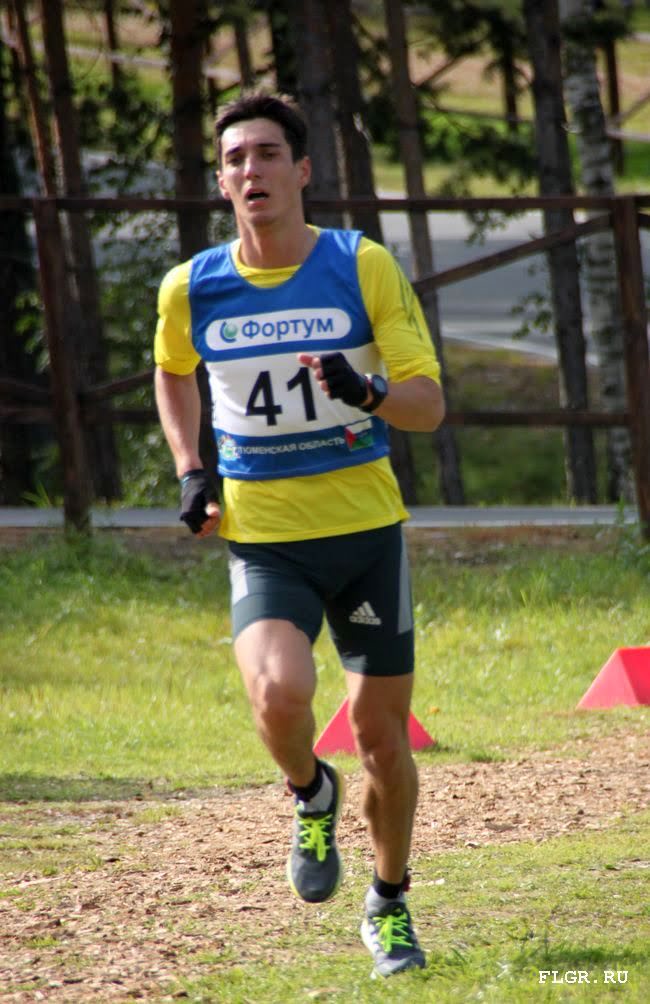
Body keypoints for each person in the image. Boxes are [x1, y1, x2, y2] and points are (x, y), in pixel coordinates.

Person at [154, 91, 445, 978]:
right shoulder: (192, 286)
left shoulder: (360, 266)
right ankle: (311, 795)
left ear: (303, 170)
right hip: (267, 541)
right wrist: (190, 469)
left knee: (382, 740)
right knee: (281, 696)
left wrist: (368, 393)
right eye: (236, 159)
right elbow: (172, 372)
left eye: (269, 154)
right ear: (222, 182)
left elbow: (429, 406)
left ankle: (388, 903)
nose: (253, 170)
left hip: (366, 538)